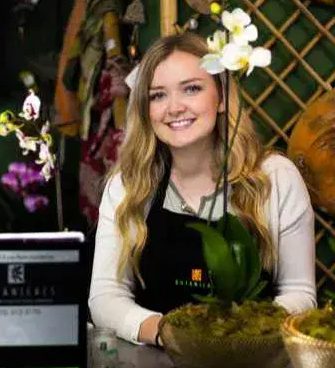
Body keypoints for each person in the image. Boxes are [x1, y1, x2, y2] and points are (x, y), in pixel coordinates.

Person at [88, 32, 317, 345]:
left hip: (253, 363)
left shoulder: (274, 178)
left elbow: (300, 293)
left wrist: (241, 336)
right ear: (146, 109)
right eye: (158, 95)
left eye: (191, 89)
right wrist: (168, 333)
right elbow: (105, 298)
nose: (174, 107)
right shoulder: (128, 185)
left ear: (220, 98)